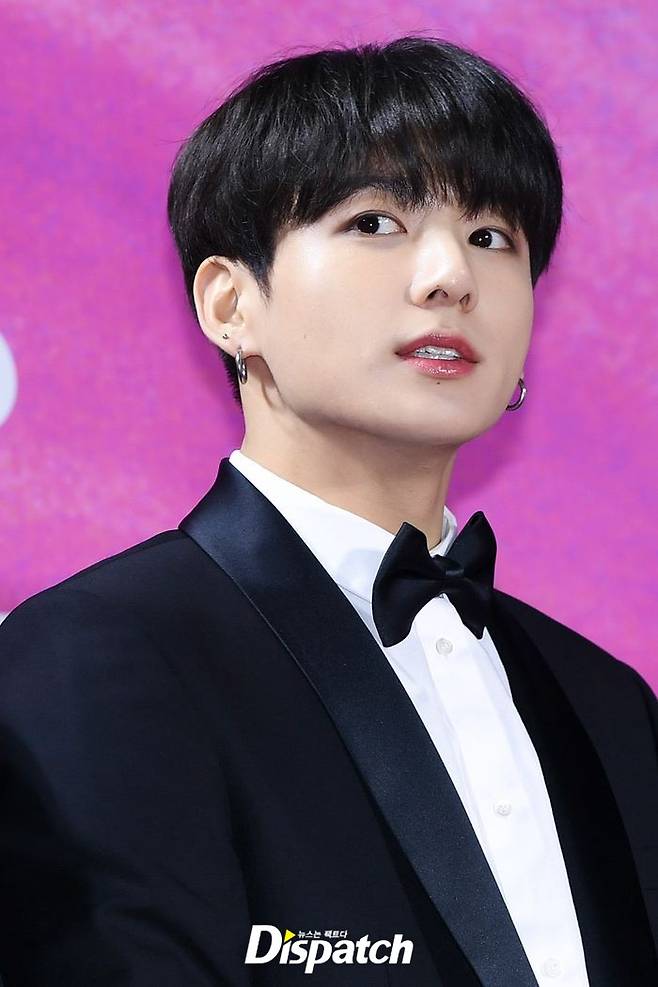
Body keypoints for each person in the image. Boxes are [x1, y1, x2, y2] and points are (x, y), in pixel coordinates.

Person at [0, 34, 655, 987]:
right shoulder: (93, 658)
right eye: (376, 222)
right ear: (231, 304)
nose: (451, 276)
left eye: (493, 236)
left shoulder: (609, 703)